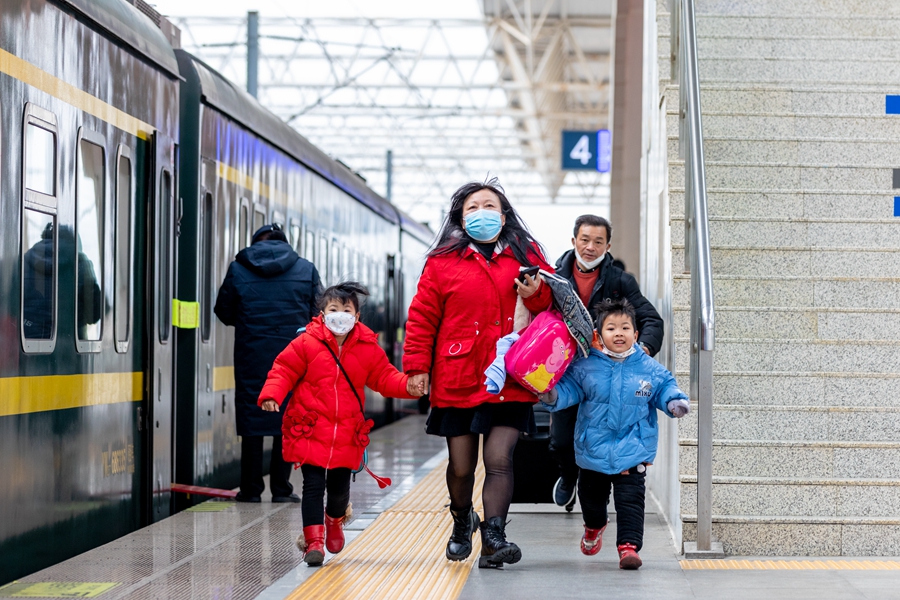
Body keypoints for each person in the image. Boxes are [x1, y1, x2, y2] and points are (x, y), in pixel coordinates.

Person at [403, 178, 554, 569]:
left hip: (510, 374)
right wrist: (417, 367)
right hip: (458, 374)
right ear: (460, 217)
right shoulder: (441, 262)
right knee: (461, 466)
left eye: (490, 206)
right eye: (473, 207)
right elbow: (421, 318)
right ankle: (461, 519)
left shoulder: (527, 253)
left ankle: (494, 536)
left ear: (504, 216)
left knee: (500, 458)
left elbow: (552, 302)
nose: (482, 213)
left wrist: (535, 291)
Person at [257, 282, 424, 566]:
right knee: (312, 486)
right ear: (321, 314)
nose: (340, 315)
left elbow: (384, 377)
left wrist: (409, 386)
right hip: (310, 428)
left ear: (357, 317)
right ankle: (313, 543)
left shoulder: (367, 348)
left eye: (347, 310)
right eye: (333, 309)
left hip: (346, 432)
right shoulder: (306, 343)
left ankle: (334, 520)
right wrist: (272, 394)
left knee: (338, 491)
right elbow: (283, 370)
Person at [538, 299, 690, 569]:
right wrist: (551, 395)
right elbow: (569, 390)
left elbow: (665, 386)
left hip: (634, 449)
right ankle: (594, 527)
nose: (619, 333)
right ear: (598, 335)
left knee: (631, 501)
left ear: (636, 334)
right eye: (611, 328)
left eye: (625, 328)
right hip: (593, 450)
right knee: (591, 500)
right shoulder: (585, 367)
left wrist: (673, 402)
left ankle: (628, 547)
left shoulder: (648, 368)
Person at [550, 214, 665, 507]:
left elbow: (651, 318)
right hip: (567, 372)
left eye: (598, 241)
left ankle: (598, 495)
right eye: (585, 240)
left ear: (607, 245)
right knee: (561, 439)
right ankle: (567, 475)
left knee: (600, 434)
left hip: (606, 374)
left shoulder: (620, 281)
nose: (590, 247)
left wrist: (643, 352)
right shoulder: (553, 278)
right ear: (574, 240)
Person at [214, 223, 320, 503]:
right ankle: (282, 489)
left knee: (252, 419)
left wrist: (249, 323)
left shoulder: (239, 268)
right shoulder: (305, 269)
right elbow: (317, 314)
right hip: (293, 356)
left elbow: (223, 310)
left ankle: (250, 489)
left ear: (255, 243)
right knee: (287, 419)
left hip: (251, 354)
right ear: (283, 242)